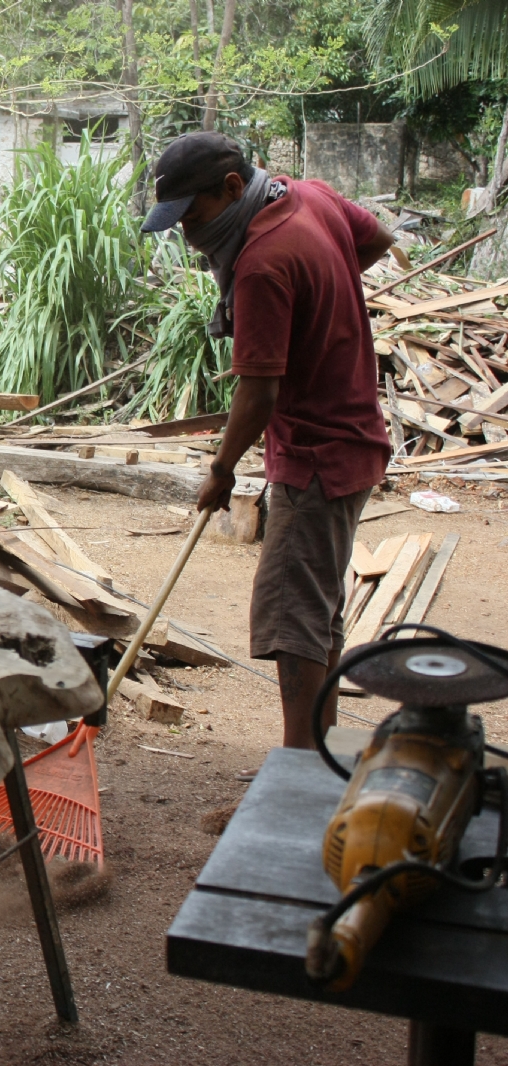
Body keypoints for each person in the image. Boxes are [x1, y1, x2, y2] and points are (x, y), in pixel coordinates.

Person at [140, 132, 394, 763]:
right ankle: (321, 754)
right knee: (317, 614)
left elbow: (256, 395)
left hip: (317, 454)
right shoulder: (310, 197)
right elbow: (377, 240)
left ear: (231, 189)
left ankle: (298, 778)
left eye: (193, 218)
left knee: (292, 620)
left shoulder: (261, 264)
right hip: (354, 439)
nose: (190, 237)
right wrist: (321, 306)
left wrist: (221, 469)